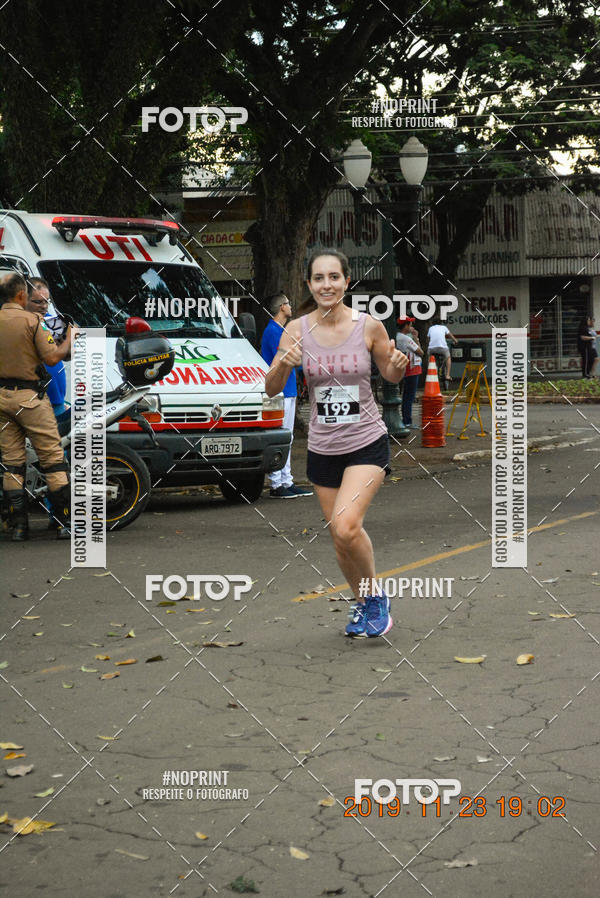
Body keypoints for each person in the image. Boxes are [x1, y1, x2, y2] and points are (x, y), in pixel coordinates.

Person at [265, 250, 408, 638]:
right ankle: (363, 603)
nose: (326, 285)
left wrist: (397, 366)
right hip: (323, 447)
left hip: (366, 440)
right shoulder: (296, 329)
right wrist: (284, 363)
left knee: (346, 526)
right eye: (319, 278)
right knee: (340, 537)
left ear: (346, 281)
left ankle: (375, 598)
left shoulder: (368, 326)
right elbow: (271, 388)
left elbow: (390, 374)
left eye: (334, 277)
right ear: (309, 285)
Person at [0, 272, 74, 540]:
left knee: (12, 464)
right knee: (53, 461)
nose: (43, 306)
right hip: (31, 399)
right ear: (22, 295)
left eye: (46, 302)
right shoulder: (34, 322)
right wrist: (70, 337)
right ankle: (64, 523)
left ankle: (19, 527)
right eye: (37, 300)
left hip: (3, 399)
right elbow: (53, 358)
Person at [260, 293, 313, 499]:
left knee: (287, 437)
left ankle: (286, 480)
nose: (291, 306)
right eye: (288, 303)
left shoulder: (279, 330)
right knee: (280, 436)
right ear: (282, 307)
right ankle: (276, 483)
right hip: (278, 390)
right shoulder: (274, 331)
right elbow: (285, 358)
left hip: (287, 388)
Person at [395, 316, 423, 428]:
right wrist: (416, 337)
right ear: (406, 326)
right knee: (409, 396)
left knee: (406, 395)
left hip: (403, 368)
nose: (412, 326)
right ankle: (407, 421)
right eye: (410, 324)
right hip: (411, 368)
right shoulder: (406, 339)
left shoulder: (397, 337)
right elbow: (420, 352)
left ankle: (406, 420)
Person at [427, 317, 458, 381]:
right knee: (448, 357)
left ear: (432, 323)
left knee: (429, 358)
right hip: (442, 348)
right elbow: (450, 335)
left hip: (432, 349)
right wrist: (455, 340)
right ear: (441, 323)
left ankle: (430, 373)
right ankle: (447, 375)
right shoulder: (444, 327)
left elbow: (428, 338)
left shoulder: (430, 328)